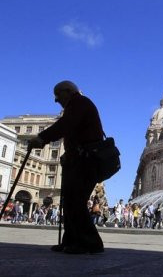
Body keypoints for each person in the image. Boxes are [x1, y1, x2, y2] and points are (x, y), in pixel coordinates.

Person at [28, 80, 104, 254]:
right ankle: (71, 241)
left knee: (75, 200)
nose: (56, 100)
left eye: (58, 95)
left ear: (68, 91)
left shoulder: (80, 103)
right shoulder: (77, 104)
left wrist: (42, 138)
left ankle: (90, 243)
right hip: (78, 159)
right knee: (70, 201)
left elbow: (65, 125)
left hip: (86, 160)